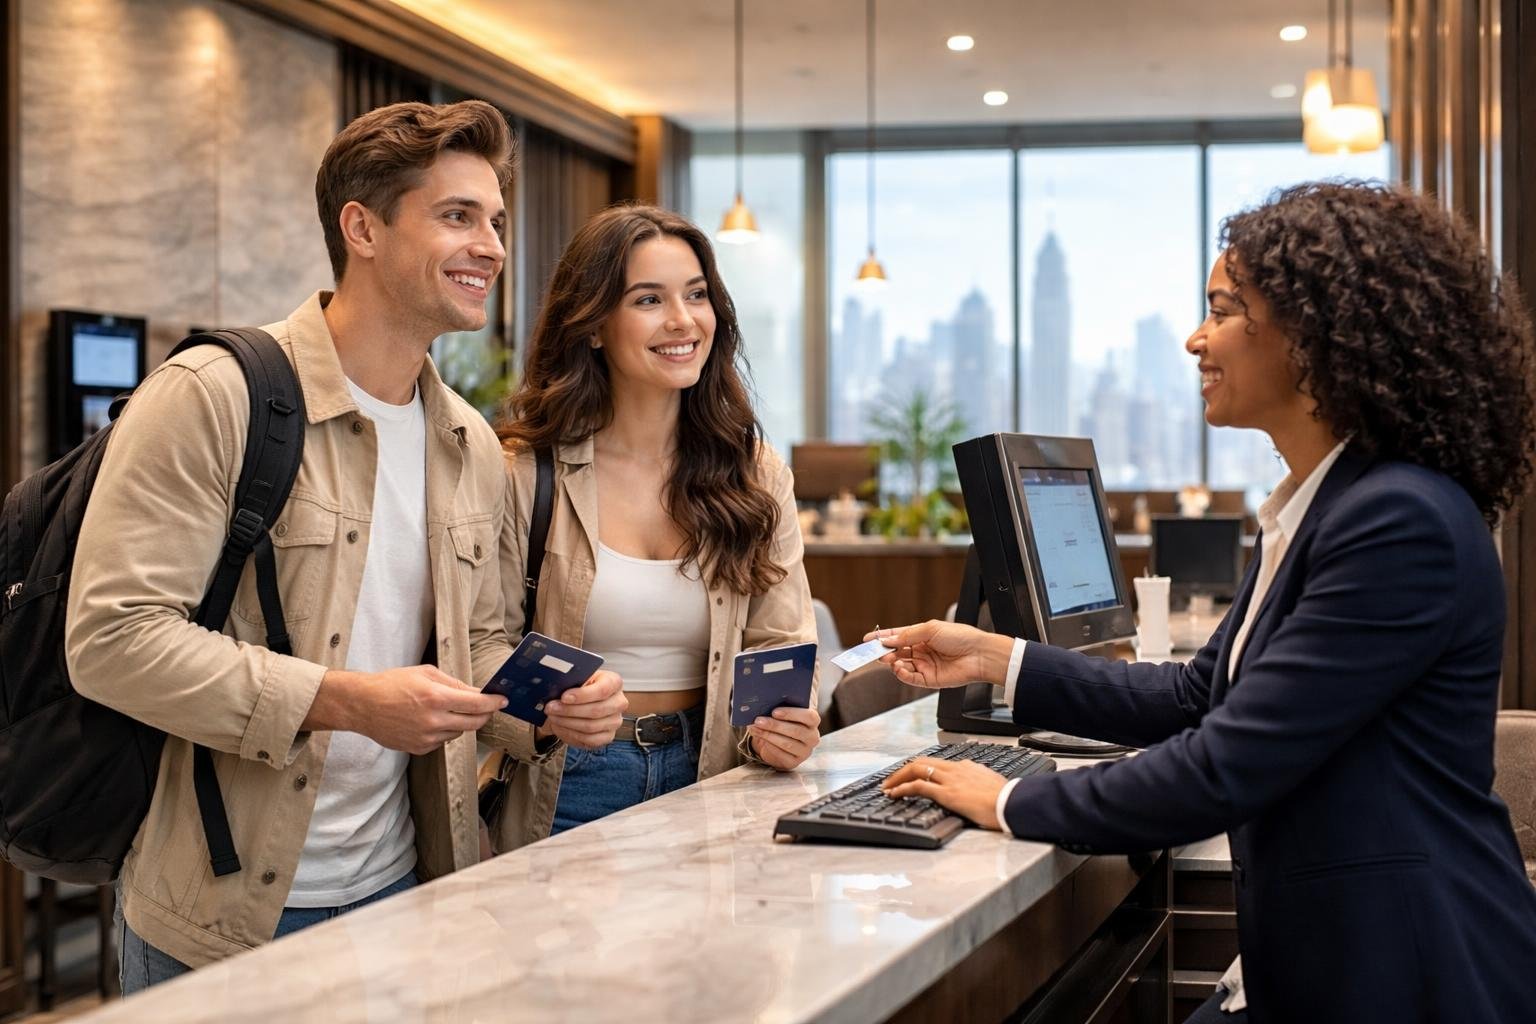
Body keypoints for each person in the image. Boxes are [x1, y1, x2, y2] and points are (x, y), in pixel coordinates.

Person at [872, 182, 1536, 1023]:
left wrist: (1005, 799)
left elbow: (1225, 764)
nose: (1196, 338)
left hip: (1407, 976)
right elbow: (1199, 696)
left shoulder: (1396, 521)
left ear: (1314, 339)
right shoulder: (1320, 505)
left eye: (1224, 309)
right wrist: (1000, 659)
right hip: (1324, 960)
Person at [65, 100, 624, 993]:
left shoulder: (468, 442)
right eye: (457, 216)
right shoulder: (212, 396)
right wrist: (347, 702)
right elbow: (113, 642)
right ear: (361, 227)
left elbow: (474, 645)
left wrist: (548, 711)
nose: (492, 246)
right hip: (221, 916)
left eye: (497, 221)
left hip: (406, 893)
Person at [487, 204, 821, 849]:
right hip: (568, 783)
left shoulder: (753, 472)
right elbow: (476, 645)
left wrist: (781, 730)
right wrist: (545, 718)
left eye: (697, 295)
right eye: (648, 299)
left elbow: (781, 640)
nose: (682, 320)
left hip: (716, 772)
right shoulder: (523, 473)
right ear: (591, 325)